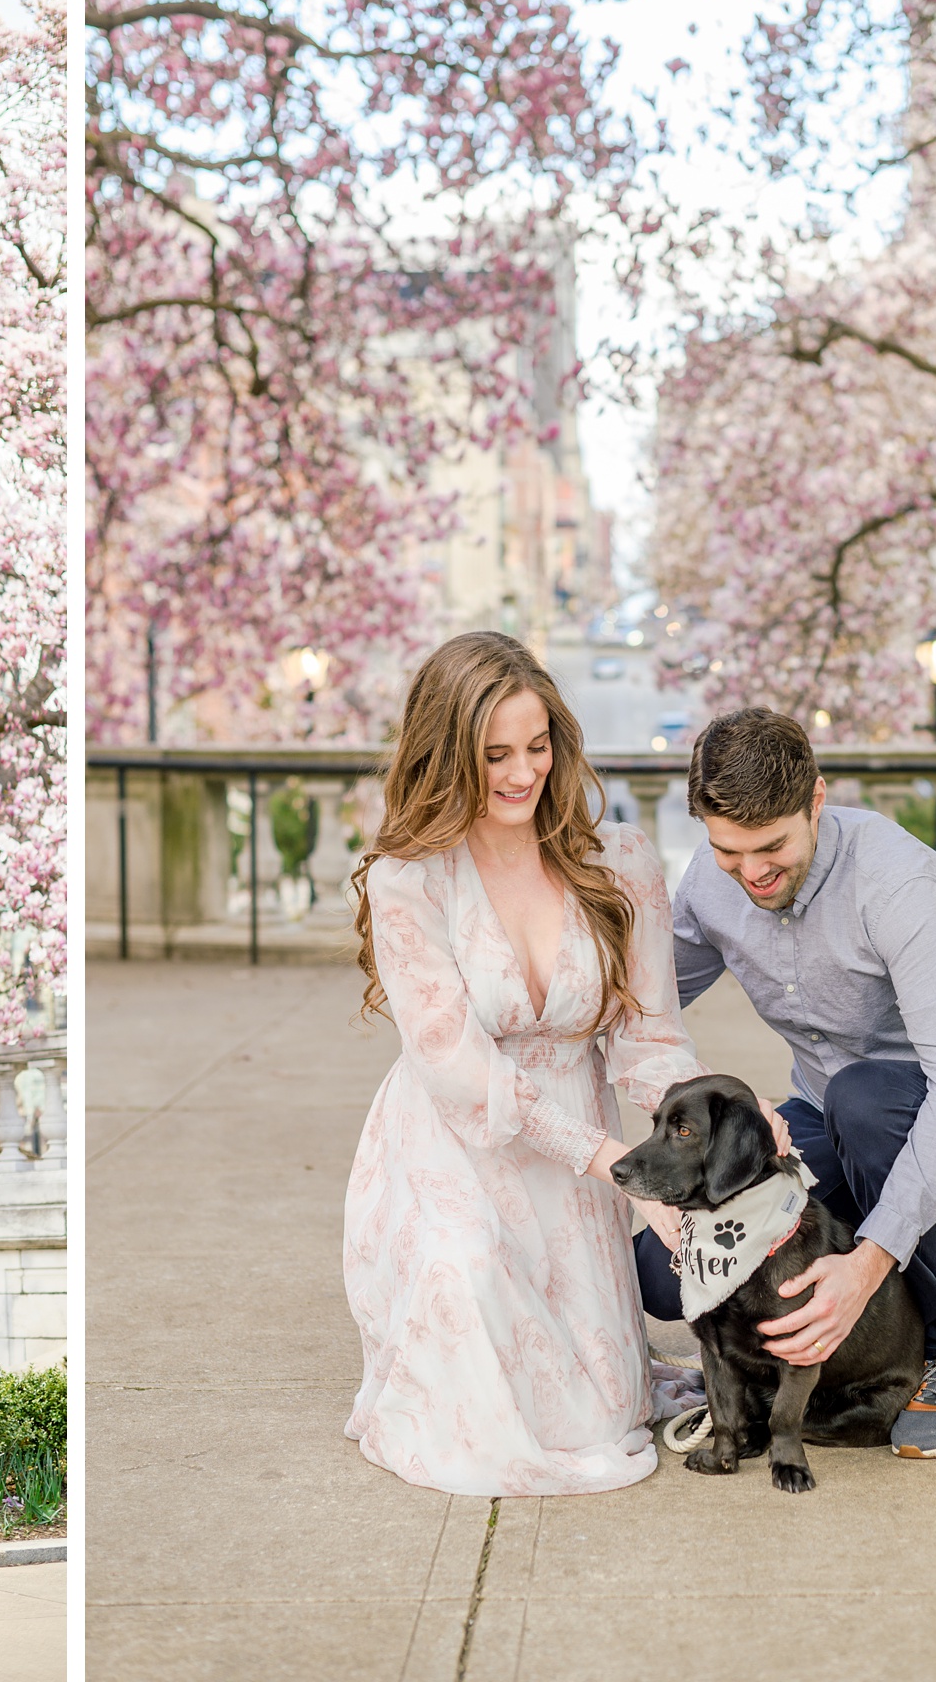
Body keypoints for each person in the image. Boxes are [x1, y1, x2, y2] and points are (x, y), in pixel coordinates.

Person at [638, 706, 936, 1459]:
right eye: (730, 852)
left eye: (771, 847)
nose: (752, 871)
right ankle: (788, 1373)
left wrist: (866, 1267)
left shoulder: (901, 887)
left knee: (866, 1101)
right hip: (831, 1119)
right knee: (664, 1276)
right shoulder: (712, 880)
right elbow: (644, 1009)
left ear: (817, 801)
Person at [343, 632, 704, 1495]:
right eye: (494, 755)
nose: (522, 773)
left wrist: (676, 1169)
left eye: (537, 747)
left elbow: (650, 1043)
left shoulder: (619, 865)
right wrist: (613, 1161)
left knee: (598, 1412)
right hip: (449, 1147)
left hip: (580, 1165)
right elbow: (458, 1073)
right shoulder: (410, 881)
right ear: (448, 756)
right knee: (465, 1298)